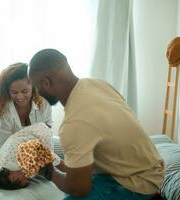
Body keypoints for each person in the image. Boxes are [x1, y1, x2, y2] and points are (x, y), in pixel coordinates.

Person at [28, 49, 165, 200]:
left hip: (138, 185)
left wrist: (46, 171)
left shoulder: (75, 123)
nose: (36, 94)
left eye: (36, 88)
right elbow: (83, 165)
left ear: (46, 83)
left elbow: (78, 188)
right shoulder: (97, 85)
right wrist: (53, 161)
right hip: (145, 169)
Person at [0, 63, 53, 182]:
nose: (20, 97)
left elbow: (46, 133)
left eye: (24, 91)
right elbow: (3, 149)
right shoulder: (2, 109)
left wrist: (39, 157)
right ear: (7, 91)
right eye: (14, 92)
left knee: (49, 169)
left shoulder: (44, 104)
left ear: (33, 87)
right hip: (6, 152)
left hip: (35, 148)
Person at [0, 122, 64, 190]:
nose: (27, 176)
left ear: (12, 178)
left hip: (41, 133)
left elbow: (45, 155)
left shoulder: (17, 162)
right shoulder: (1, 162)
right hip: (32, 131)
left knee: (54, 163)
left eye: (25, 178)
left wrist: (61, 165)